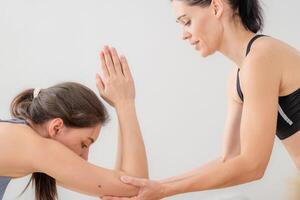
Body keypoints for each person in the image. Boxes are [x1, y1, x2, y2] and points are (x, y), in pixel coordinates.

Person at [102, 0, 300, 199]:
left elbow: (252, 165)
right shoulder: (237, 78)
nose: (183, 34)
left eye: (187, 21)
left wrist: (164, 190)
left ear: (216, 7)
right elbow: (230, 159)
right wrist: (155, 186)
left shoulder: (261, 57)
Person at [0, 46, 148, 200]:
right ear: (56, 128)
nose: (85, 158)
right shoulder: (30, 145)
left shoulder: (20, 137)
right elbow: (136, 186)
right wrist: (125, 103)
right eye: (84, 144)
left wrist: (121, 105)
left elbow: (118, 187)